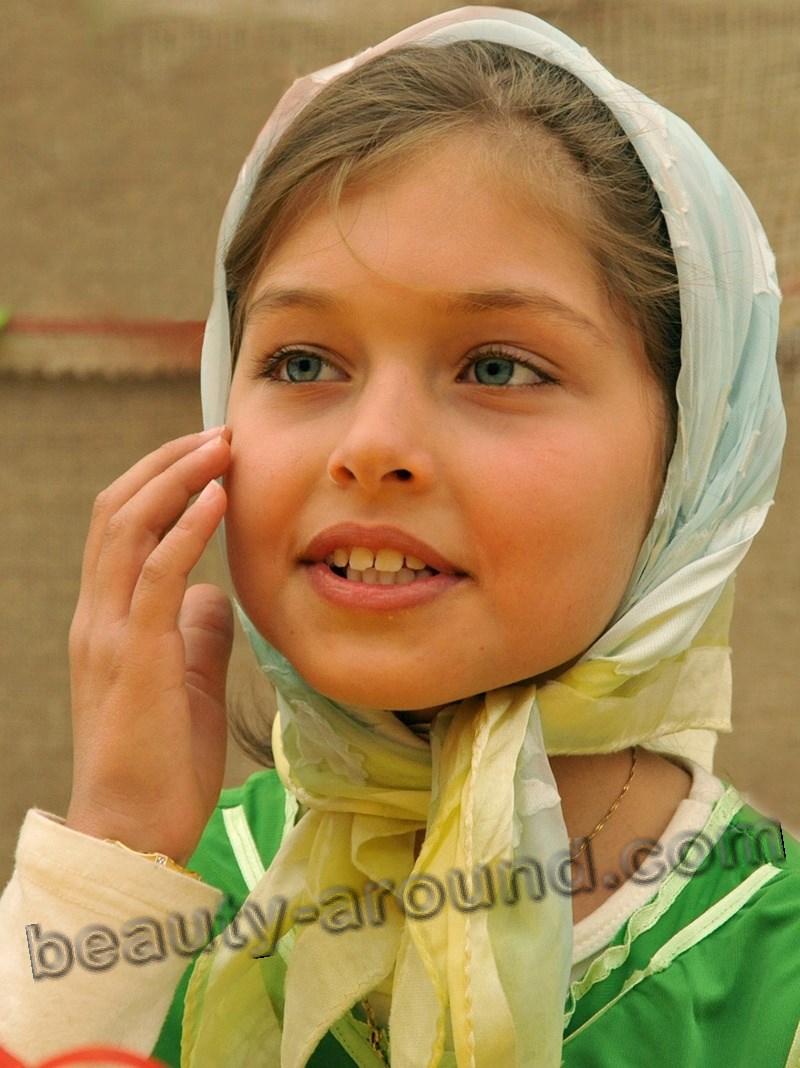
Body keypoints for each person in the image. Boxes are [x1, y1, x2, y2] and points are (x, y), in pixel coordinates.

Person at [1, 6, 798, 1067]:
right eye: (300, 363)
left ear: (695, 454)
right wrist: (113, 855)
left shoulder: (766, 973)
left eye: (497, 367)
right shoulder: (151, 904)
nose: (371, 448)